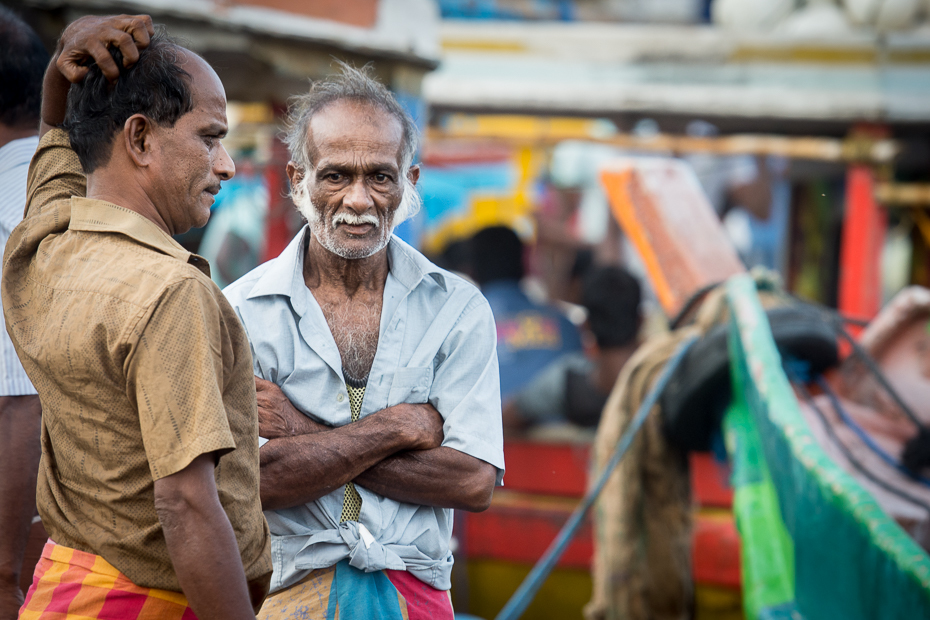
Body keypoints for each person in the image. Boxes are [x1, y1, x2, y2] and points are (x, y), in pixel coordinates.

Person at [3, 15, 271, 619]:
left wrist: (59, 75)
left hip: (62, 589)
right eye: (210, 137)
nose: (226, 164)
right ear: (141, 139)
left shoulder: (41, 244)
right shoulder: (169, 292)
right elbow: (184, 504)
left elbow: (53, 146)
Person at [223, 64, 503, 619]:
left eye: (380, 176)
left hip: (414, 592)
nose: (358, 200)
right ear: (298, 180)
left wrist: (301, 431)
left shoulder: (456, 309)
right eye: (335, 176)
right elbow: (256, 481)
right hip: (287, 592)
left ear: (410, 183)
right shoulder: (241, 311)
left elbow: (471, 482)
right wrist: (397, 427)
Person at [0, 9, 47, 618]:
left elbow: (21, 404)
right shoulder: (87, 187)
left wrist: (3, 574)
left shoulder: (10, 213)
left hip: (35, 540)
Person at [503, 265, 642, 432]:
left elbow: (508, 415)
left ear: (585, 326)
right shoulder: (663, 376)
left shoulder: (569, 380)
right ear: (641, 320)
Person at [470, 226, 583, 402]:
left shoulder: (458, 330)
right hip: (560, 427)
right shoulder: (565, 325)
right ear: (527, 262)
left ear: (470, 269)